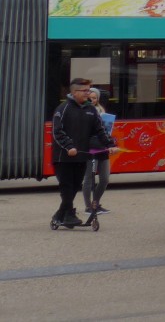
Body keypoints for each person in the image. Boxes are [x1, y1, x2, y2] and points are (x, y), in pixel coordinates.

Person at [50, 78, 111, 227]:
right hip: (63, 157)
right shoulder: (62, 109)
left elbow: (100, 130)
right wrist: (69, 146)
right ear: (74, 92)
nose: (88, 93)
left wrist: (110, 143)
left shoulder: (91, 110)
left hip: (82, 156)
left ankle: (60, 215)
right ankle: (68, 214)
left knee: (76, 186)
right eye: (85, 91)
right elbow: (57, 132)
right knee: (67, 187)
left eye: (89, 90)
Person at [82, 87, 116, 215]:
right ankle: (88, 206)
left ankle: (95, 203)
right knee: (89, 179)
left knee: (105, 179)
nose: (92, 100)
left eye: (94, 98)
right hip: (90, 149)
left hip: (102, 148)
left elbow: (106, 131)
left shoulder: (102, 111)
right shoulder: (84, 111)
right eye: (90, 98)